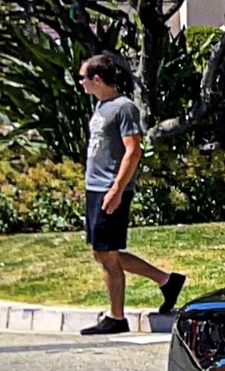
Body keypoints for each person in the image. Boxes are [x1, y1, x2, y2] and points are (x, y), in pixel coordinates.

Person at [77, 53, 182, 337]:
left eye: (83, 77)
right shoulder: (101, 106)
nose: (81, 83)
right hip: (96, 188)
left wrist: (116, 190)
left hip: (111, 189)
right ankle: (166, 281)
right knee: (102, 253)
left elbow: (133, 151)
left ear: (97, 78)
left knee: (106, 253)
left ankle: (116, 317)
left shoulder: (124, 108)